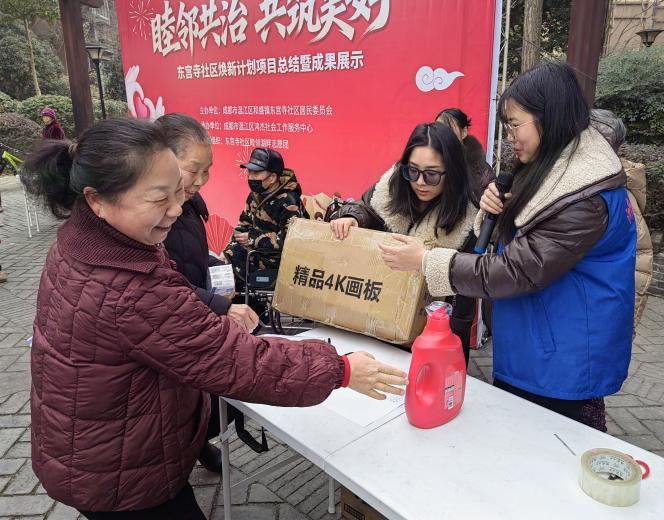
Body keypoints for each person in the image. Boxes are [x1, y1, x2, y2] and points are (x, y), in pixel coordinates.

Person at [22, 118, 407, 519]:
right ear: (97, 199)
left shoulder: (84, 239)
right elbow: (238, 362)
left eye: (179, 191)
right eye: (160, 198)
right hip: (119, 473)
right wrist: (340, 369)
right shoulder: (128, 286)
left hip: (96, 440)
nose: (176, 209)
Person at [380, 62, 636, 432]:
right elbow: (524, 239)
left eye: (515, 124)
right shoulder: (554, 168)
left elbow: (517, 270)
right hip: (540, 340)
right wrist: (495, 211)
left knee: (554, 445)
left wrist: (427, 261)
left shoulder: (583, 199)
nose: (510, 137)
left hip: (563, 355)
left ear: (549, 117)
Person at [329, 122, 478, 363]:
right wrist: (352, 217)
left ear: (452, 171)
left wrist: (426, 260)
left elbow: (465, 290)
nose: (420, 182)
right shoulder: (389, 188)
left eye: (432, 174)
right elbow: (367, 209)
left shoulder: (469, 218)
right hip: (375, 317)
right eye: (413, 171)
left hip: (432, 332)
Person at [157, 113, 250, 474]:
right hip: (170, 321)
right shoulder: (150, 215)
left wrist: (216, 265)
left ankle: (195, 443)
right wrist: (219, 306)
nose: (200, 180)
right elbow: (160, 281)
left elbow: (187, 259)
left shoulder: (188, 204)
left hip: (192, 313)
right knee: (187, 399)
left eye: (207, 171)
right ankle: (182, 452)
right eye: (193, 170)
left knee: (203, 396)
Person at [590, 108, 653, 332]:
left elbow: (640, 266)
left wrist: (625, 328)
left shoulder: (617, 194)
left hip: (599, 319)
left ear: (605, 143)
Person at [223, 147, 307, 281]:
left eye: (256, 173)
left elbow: (292, 241)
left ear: (272, 177)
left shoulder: (289, 202)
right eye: (249, 172)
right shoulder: (255, 195)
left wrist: (254, 238)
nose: (251, 177)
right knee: (226, 257)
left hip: (279, 261)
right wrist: (229, 249)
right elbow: (243, 226)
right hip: (257, 252)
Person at [435, 107, 495, 200]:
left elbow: (490, 200)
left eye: (449, 130)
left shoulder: (480, 169)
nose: (443, 135)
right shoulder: (427, 160)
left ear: (464, 132)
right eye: (438, 130)